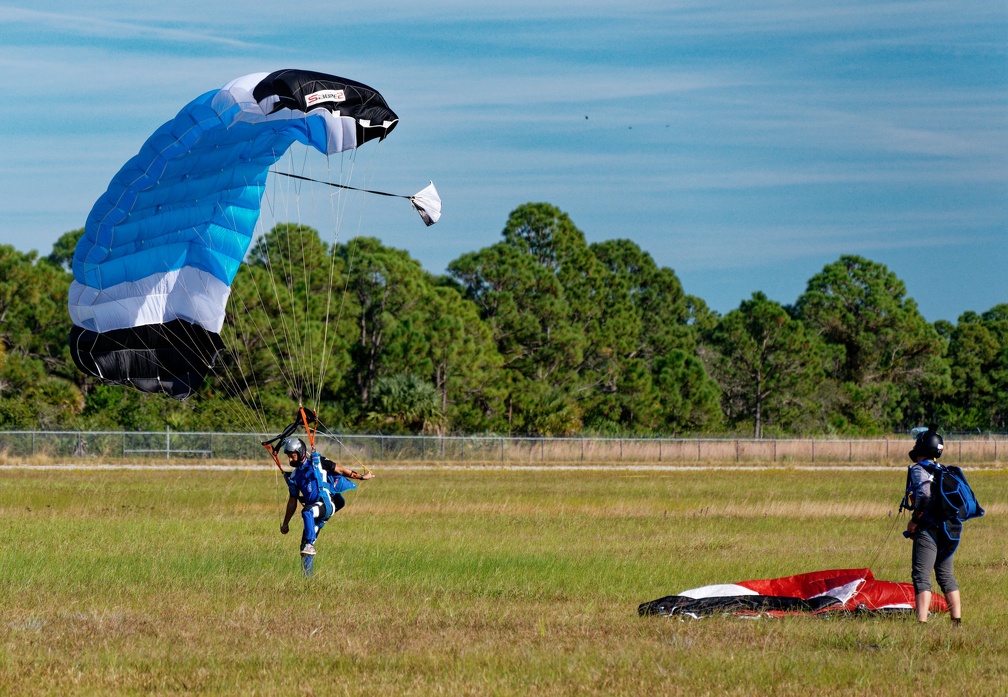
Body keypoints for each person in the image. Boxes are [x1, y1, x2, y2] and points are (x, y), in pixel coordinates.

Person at [904, 427, 962, 625]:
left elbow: (924, 496)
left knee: (921, 576)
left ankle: (921, 623)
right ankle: (957, 622)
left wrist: (915, 521)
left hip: (929, 528)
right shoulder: (944, 471)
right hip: (950, 529)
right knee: (946, 575)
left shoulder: (920, 469)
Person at [279, 436, 373, 558]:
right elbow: (292, 501)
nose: (290, 460)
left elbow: (341, 470)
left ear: (300, 452)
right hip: (315, 511)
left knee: (307, 512)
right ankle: (307, 576)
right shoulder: (295, 476)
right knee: (304, 548)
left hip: (326, 504)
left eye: (293, 456)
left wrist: (361, 476)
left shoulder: (317, 462)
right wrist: (286, 523)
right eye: (289, 457)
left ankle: (310, 544)